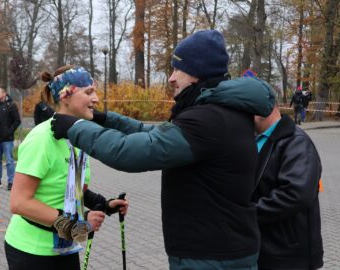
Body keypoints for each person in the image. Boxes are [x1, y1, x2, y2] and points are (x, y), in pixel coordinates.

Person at [51, 30, 276, 269]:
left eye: (177, 69)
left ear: (197, 75)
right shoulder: (217, 111)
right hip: (215, 251)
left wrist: (75, 127)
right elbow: (151, 134)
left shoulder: (208, 119)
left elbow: (129, 152)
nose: (170, 78)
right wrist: (105, 119)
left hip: (211, 257)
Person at [4, 65, 129, 270]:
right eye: (88, 92)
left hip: (66, 247)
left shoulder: (79, 136)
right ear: (66, 96)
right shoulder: (42, 139)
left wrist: (104, 204)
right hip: (31, 251)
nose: (96, 99)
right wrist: (75, 225)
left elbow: (73, 188)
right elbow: (19, 203)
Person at [252, 105, 323, 270]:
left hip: (289, 254)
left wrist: (248, 213)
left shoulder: (296, 141)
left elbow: (296, 194)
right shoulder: (256, 138)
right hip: (265, 248)